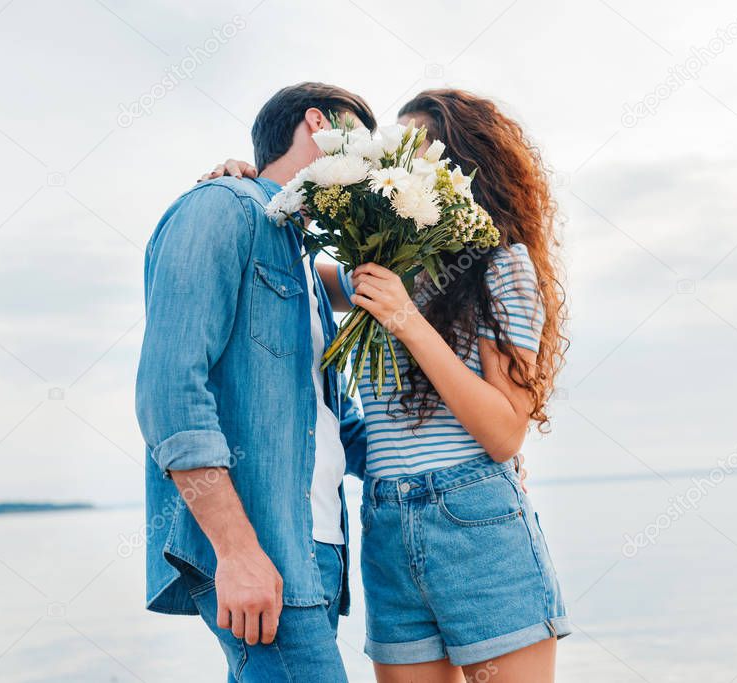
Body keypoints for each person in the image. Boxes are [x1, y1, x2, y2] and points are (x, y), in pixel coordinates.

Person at [203, 88, 571, 682]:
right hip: (386, 524)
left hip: (476, 521)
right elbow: (286, 272)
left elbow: (505, 434)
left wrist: (406, 320)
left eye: (413, 151)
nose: (393, 166)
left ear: (461, 171)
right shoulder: (386, 264)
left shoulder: (504, 265)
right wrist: (245, 190)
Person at [135, 82, 376, 683]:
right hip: (260, 545)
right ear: (319, 124)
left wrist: (467, 457)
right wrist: (237, 552)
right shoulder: (219, 208)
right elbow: (169, 394)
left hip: (318, 550)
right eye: (365, 149)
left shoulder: (304, 261)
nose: (372, 170)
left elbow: (333, 420)